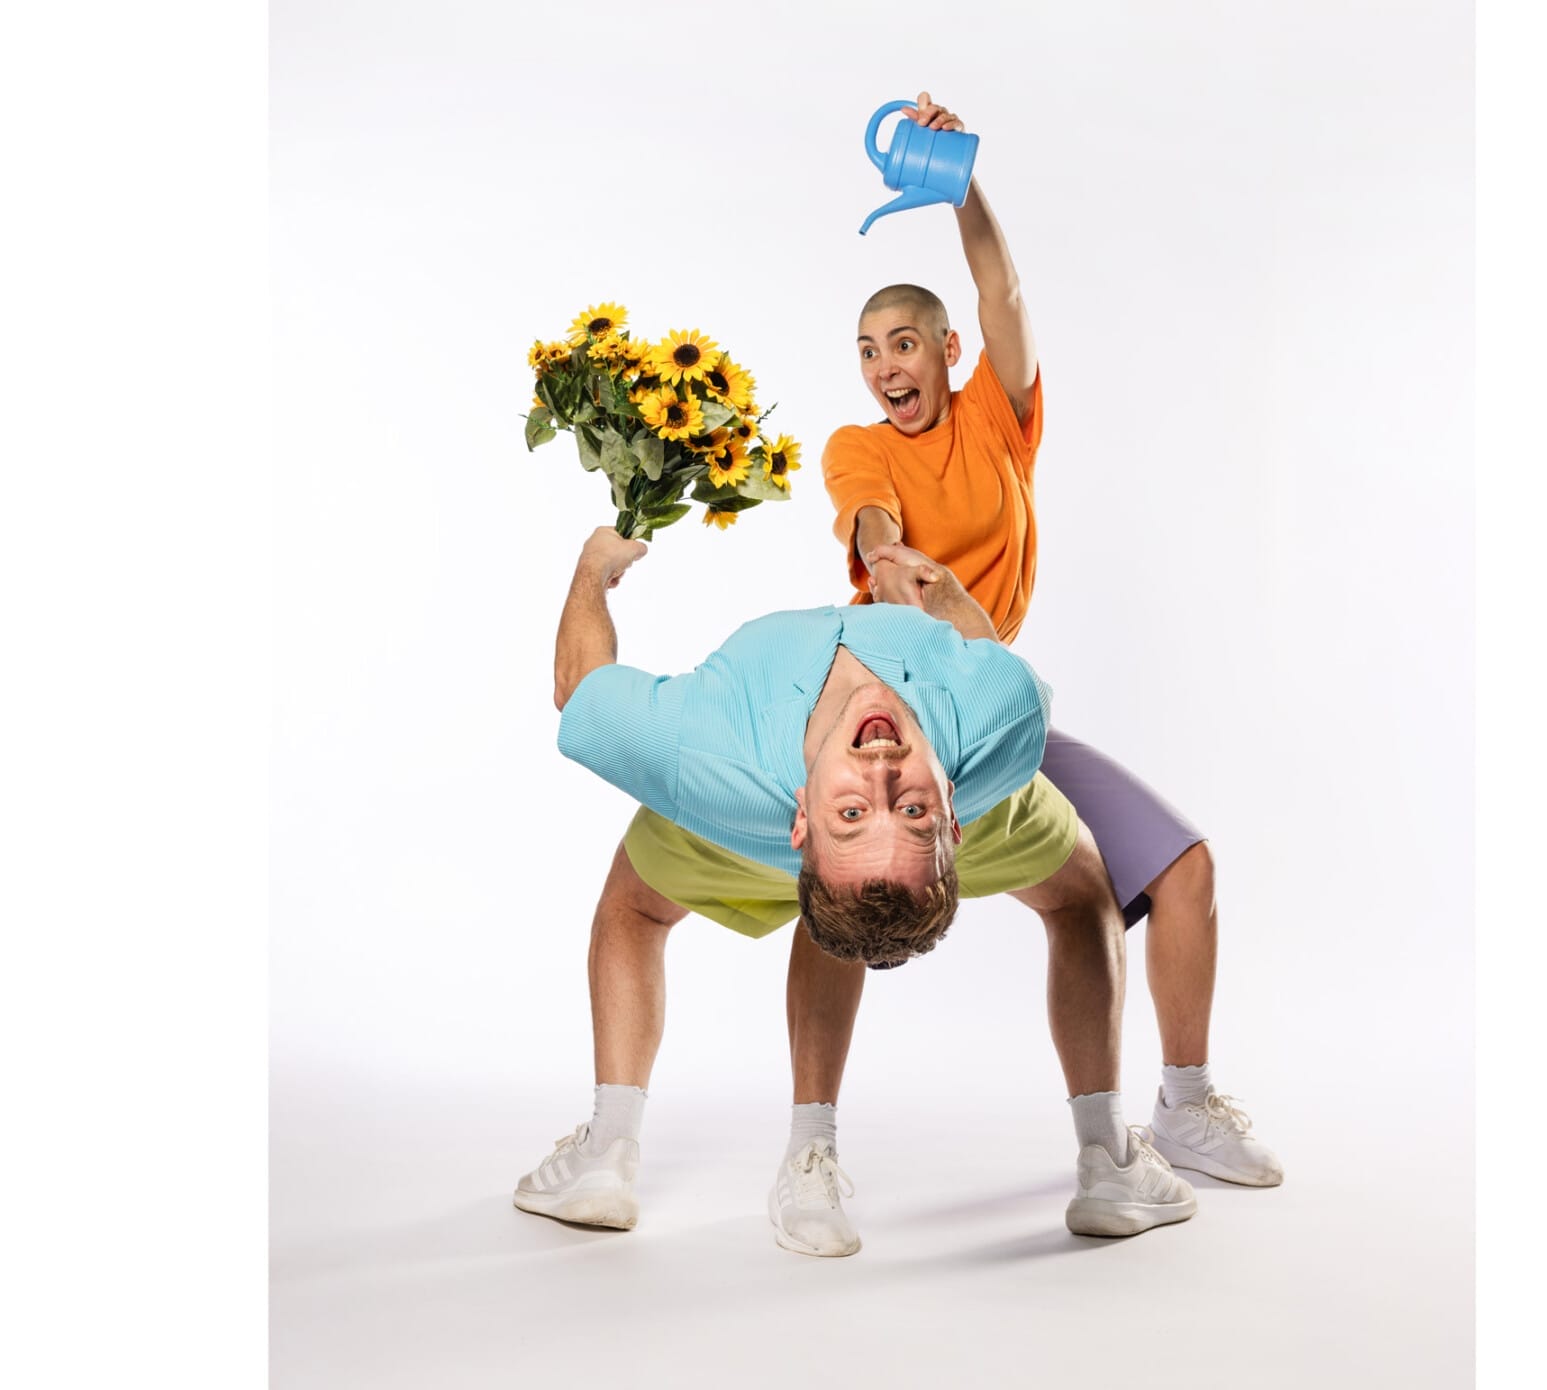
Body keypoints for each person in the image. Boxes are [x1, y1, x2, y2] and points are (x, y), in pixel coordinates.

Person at [818, 93, 1285, 1194]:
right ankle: (809, 1146)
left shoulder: (998, 418)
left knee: (1181, 870)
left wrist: (959, 185)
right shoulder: (858, 445)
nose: (885, 367)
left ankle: (1180, 1108)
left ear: (946, 351)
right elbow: (870, 525)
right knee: (837, 901)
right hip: (890, 711)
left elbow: (1005, 292)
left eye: (902, 344)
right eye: (867, 352)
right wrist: (893, 563)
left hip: (991, 704)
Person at [516, 526, 1195, 1251]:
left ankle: (608, 1154)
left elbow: (578, 686)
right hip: (899, 786)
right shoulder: (1005, 720)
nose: (879, 771)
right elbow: (984, 655)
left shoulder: (700, 753)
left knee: (635, 908)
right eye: (910, 810)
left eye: (852, 813)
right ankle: (1111, 1160)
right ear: (950, 817)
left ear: (802, 822)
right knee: (1082, 890)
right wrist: (942, 598)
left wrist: (595, 566)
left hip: (735, 799)